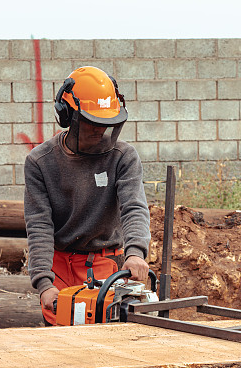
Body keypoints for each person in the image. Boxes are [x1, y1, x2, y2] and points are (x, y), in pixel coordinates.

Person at [23, 66, 151, 326]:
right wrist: (44, 283)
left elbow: (134, 207)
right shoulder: (40, 162)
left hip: (103, 263)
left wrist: (136, 252)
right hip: (58, 265)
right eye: (92, 123)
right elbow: (39, 226)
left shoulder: (122, 157)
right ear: (68, 116)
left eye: (105, 124)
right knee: (59, 342)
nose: (98, 131)